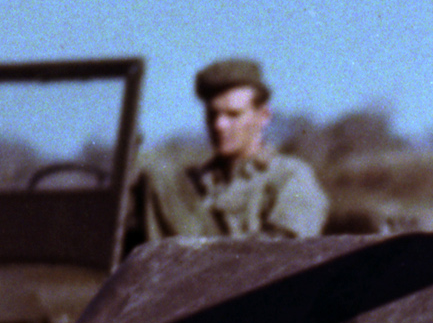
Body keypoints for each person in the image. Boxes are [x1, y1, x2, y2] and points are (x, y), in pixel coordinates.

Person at [126, 55, 328, 244]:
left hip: (247, 279)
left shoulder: (289, 177)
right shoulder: (192, 183)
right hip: (181, 276)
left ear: (263, 116)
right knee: (152, 172)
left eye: (233, 115)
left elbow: (284, 256)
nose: (219, 125)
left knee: (158, 173)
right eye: (213, 115)